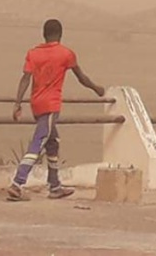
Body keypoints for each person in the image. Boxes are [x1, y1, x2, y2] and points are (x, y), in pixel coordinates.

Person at [7, 19, 105, 202]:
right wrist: (96, 89)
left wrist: (17, 103)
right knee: (39, 142)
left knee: (53, 142)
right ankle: (17, 184)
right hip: (51, 106)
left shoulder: (33, 53)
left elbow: (25, 79)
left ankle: (55, 186)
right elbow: (81, 78)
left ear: (44, 34)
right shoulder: (66, 54)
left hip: (36, 104)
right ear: (60, 34)